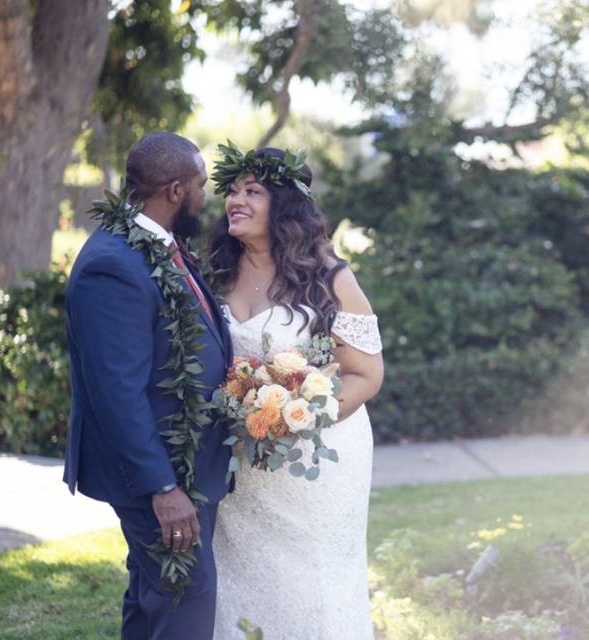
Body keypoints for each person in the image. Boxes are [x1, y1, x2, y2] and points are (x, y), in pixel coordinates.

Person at [207, 146, 384, 639]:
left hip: (318, 461)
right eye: (234, 190)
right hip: (242, 460)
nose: (236, 201)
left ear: (283, 204)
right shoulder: (215, 271)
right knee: (241, 580)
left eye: (253, 191)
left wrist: (298, 415)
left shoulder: (327, 276)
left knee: (313, 585)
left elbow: (366, 375)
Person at [63, 131, 233, 639]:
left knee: (153, 599)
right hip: (157, 474)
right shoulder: (112, 265)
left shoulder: (158, 247)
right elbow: (115, 392)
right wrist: (163, 488)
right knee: (186, 600)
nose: (208, 197)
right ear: (176, 191)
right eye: (202, 185)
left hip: (183, 465)